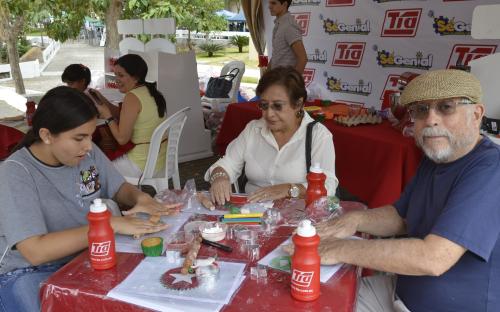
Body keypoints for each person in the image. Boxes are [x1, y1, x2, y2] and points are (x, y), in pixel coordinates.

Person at [304, 69, 500, 312]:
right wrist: (353, 220)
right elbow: (401, 216)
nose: (431, 120)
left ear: (477, 114)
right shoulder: (436, 157)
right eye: (421, 110)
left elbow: (434, 258)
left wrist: (341, 249)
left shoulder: (491, 170)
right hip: (402, 290)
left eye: (446, 107)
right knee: (310, 298)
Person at [0, 86, 179, 312]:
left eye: (90, 136)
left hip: (85, 257)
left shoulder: (85, 152)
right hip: (29, 272)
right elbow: (35, 251)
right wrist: (108, 225)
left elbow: (118, 187)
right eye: (79, 138)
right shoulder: (16, 172)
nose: (88, 146)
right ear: (46, 135)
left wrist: (139, 197)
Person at [206, 67, 338, 205]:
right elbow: (228, 163)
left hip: (299, 218)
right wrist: (220, 177)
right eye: (264, 105)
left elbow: (328, 187)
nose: (269, 114)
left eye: (277, 106)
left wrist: (289, 189)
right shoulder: (254, 129)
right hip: (252, 213)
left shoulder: (318, 136)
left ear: (298, 104)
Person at [89, 54, 167, 178]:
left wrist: (108, 117)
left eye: (121, 75)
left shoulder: (132, 97)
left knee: (91, 168)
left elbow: (122, 139)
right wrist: (101, 98)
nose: (116, 79)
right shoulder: (148, 90)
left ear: (135, 78)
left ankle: (106, 196)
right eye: (115, 75)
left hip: (140, 163)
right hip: (158, 160)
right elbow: (122, 114)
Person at [268, 0, 307, 74]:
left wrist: (291, 83)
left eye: (273, 3)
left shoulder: (289, 26)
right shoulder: (280, 24)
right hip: (276, 79)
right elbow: (276, 55)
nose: (269, 6)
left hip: (284, 81)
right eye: (269, 3)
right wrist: (265, 78)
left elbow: (303, 59)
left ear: (285, 5)